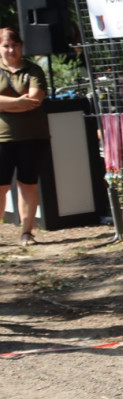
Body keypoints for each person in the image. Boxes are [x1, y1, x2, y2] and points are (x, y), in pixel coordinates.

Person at [0, 27, 48, 246]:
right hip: (2, 139)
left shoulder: (34, 69)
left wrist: (7, 104)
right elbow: (27, 102)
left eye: (15, 45)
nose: (11, 50)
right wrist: (20, 103)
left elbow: (36, 99)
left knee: (27, 184)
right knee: (1, 187)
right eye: (6, 46)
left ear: (21, 46)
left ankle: (27, 233)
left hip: (33, 137)